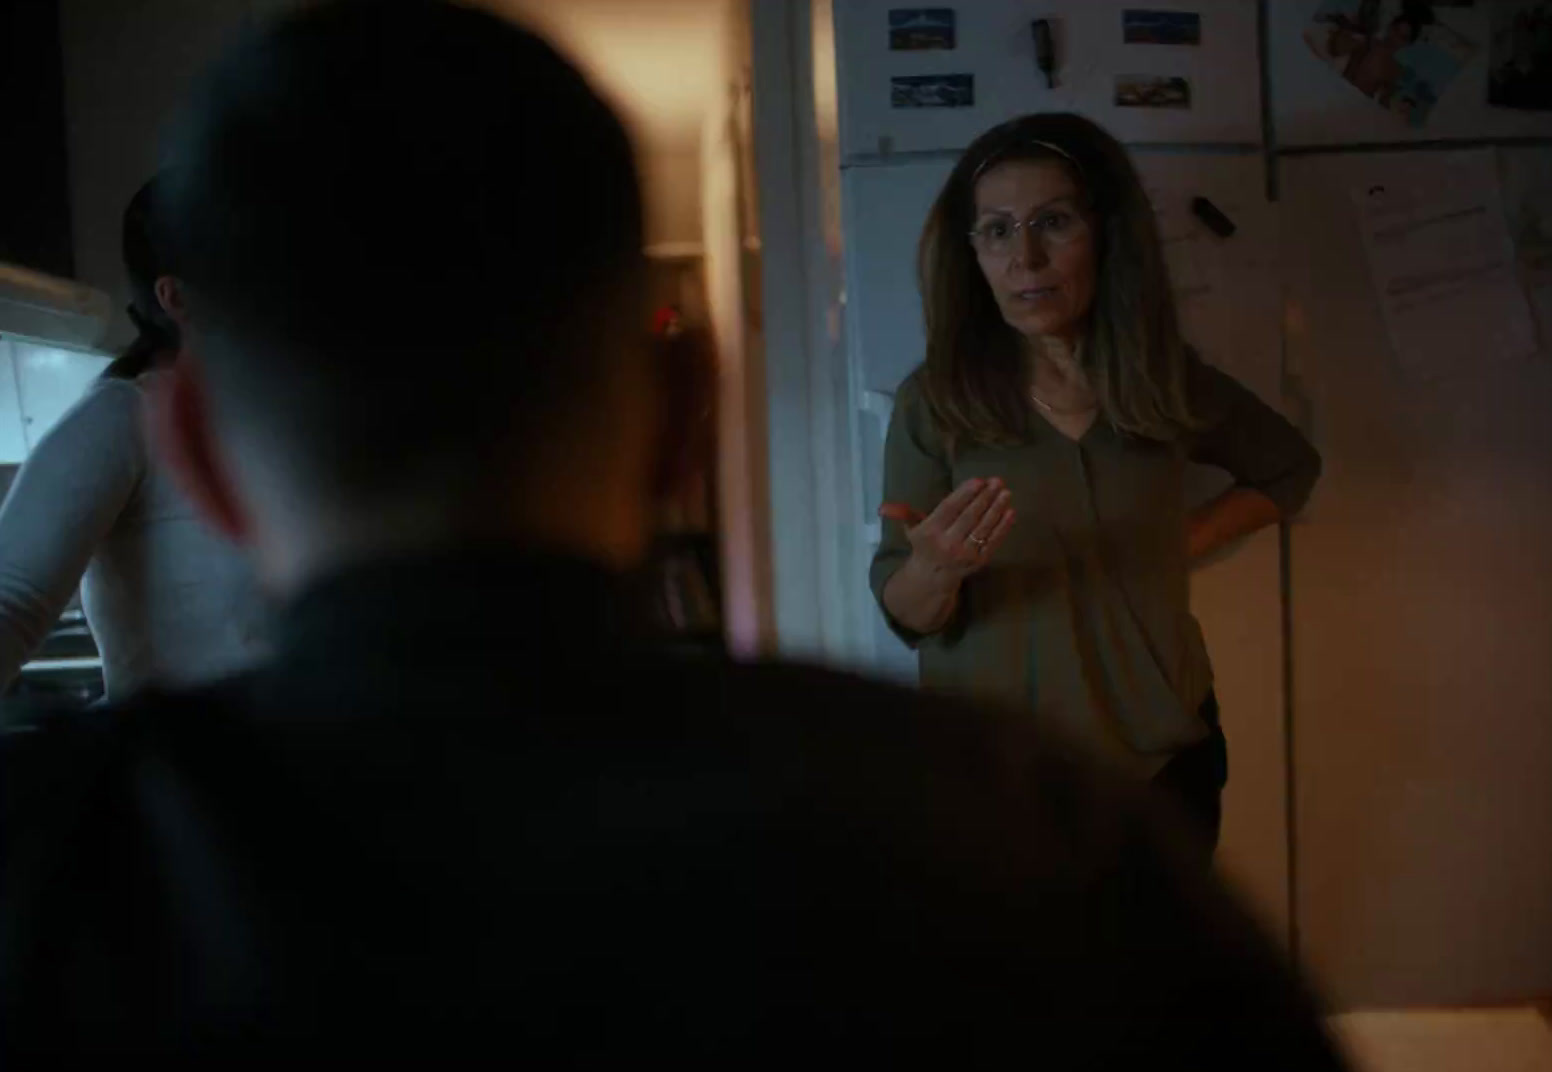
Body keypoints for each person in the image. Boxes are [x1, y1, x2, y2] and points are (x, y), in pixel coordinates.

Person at [0, 3, 1348, 1064]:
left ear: (197, 458)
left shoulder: (46, 878)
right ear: (684, 417)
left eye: (1051, 224)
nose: (1024, 252)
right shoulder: (1022, 834)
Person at [872, 113, 1321, 854]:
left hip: (1165, 759)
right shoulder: (937, 402)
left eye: (1053, 221)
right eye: (997, 230)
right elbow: (907, 611)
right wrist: (933, 570)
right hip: (997, 774)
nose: (1027, 256)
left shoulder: (1164, 380)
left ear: (1105, 232)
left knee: (1160, 971)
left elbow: (1290, 467)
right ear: (972, 254)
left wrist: (1176, 543)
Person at [0, 179, 266, 701]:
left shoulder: (281, 422)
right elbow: (11, 599)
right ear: (176, 298)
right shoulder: (124, 417)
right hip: (185, 770)